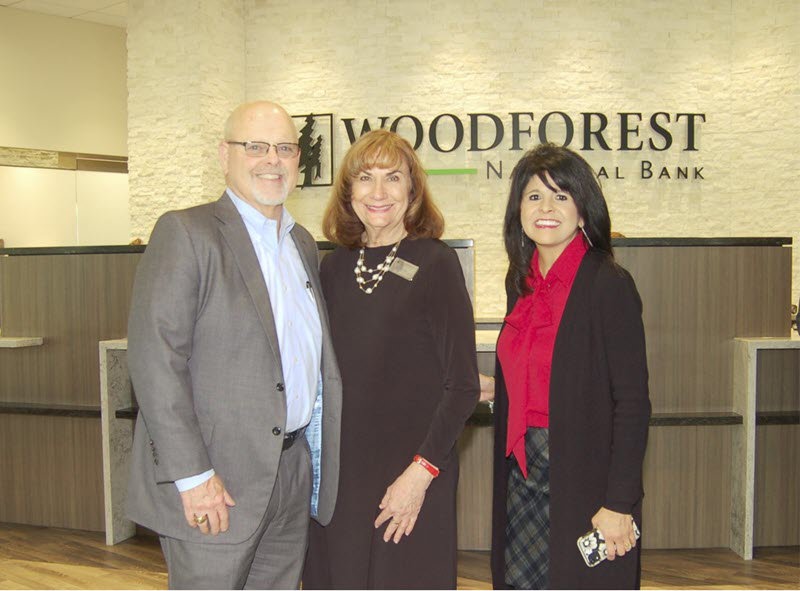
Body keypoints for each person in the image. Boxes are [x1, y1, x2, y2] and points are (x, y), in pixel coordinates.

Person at [126, 101, 342, 590]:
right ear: (225, 155)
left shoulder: (302, 243)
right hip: (215, 481)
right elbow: (156, 360)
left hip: (289, 473)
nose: (273, 160)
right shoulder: (187, 233)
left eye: (285, 148)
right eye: (256, 147)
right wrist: (192, 476)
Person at [302, 129, 480, 589]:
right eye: (365, 178)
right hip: (343, 477)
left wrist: (418, 476)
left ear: (412, 190)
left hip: (413, 471)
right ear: (348, 192)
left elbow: (461, 386)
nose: (378, 192)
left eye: (393, 178)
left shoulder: (436, 263)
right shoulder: (334, 267)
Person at [489, 144, 651, 589]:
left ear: (583, 211)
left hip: (584, 476)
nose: (546, 207)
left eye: (561, 196)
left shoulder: (607, 283)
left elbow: (633, 404)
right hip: (523, 474)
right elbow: (536, 372)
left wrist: (619, 503)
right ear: (518, 209)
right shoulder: (519, 282)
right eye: (534, 195)